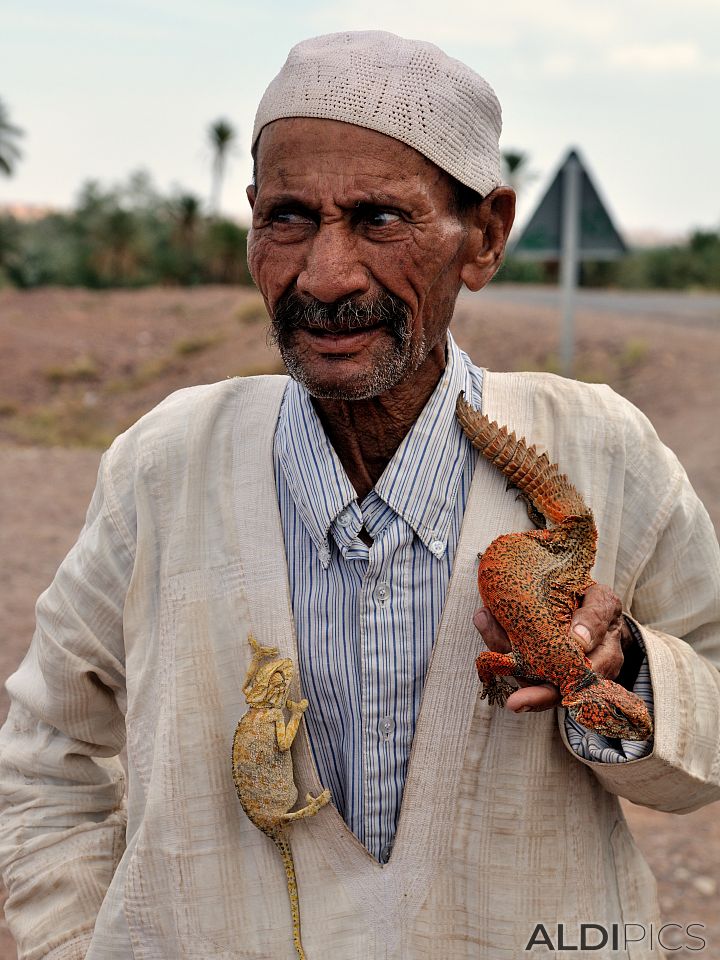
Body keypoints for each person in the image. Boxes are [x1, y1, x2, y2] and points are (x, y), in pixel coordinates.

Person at [1, 30, 719, 960]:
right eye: (289, 218)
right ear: (252, 222)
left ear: (485, 236)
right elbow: (47, 756)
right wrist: (71, 944)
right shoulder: (166, 464)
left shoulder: (601, 450)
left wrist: (626, 671)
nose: (325, 275)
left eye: (380, 219)